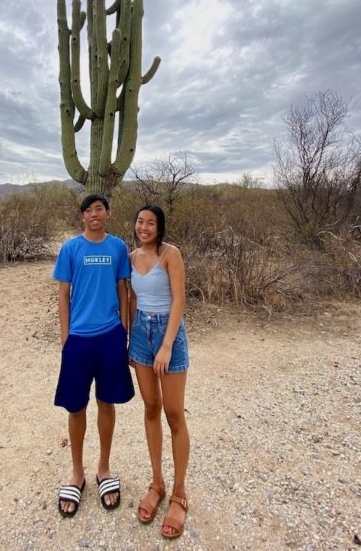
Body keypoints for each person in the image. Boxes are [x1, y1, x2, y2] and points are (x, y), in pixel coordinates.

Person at [54, 194, 134, 518]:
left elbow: (123, 289)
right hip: (79, 339)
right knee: (76, 407)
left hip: (110, 336)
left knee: (106, 403)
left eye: (99, 209)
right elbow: (62, 295)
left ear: (108, 214)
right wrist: (65, 338)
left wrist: (123, 331)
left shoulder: (117, 247)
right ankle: (77, 473)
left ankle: (103, 469)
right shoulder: (71, 249)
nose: (94, 214)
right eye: (88, 210)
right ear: (83, 217)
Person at [128, 204, 190, 540]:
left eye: (150, 222)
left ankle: (180, 493)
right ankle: (158, 482)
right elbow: (132, 300)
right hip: (140, 335)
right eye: (140, 221)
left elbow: (179, 299)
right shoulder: (132, 256)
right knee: (150, 408)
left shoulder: (171, 254)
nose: (144, 227)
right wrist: (129, 340)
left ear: (160, 227)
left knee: (173, 413)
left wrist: (166, 345)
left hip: (169, 333)